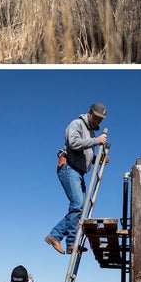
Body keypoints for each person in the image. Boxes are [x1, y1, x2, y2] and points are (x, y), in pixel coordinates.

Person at [47, 102, 109, 255]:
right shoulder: (77, 124)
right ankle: (55, 236)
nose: (98, 121)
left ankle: (68, 243)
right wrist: (96, 141)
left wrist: (97, 159)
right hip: (69, 168)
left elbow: (85, 155)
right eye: (96, 118)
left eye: (101, 119)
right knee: (78, 204)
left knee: (80, 208)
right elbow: (73, 143)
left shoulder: (91, 133)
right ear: (89, 113)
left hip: (78, 171)